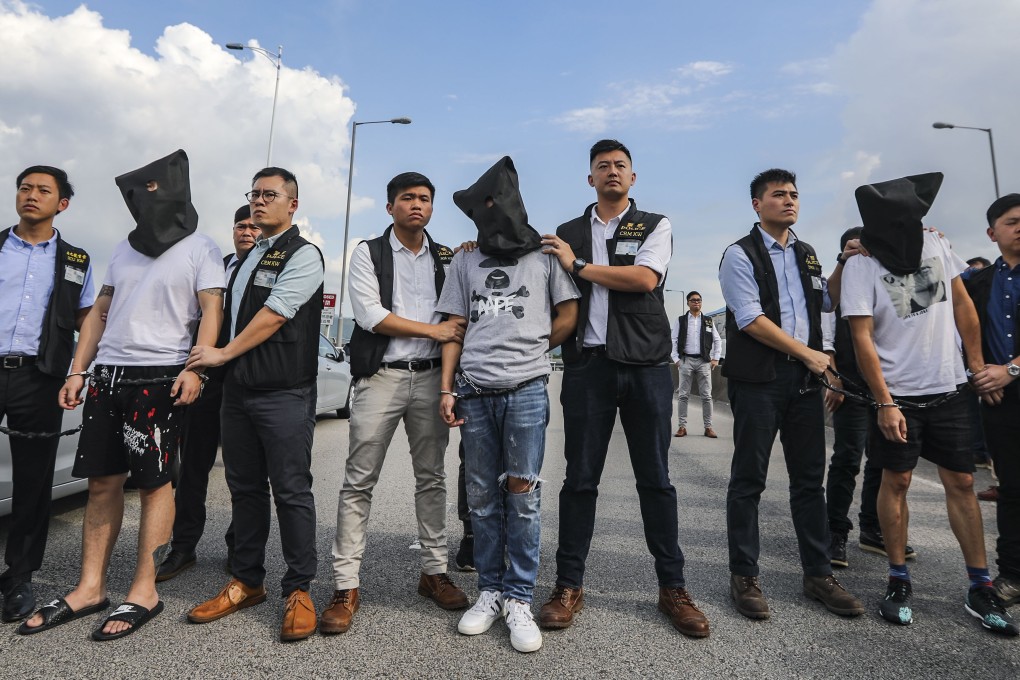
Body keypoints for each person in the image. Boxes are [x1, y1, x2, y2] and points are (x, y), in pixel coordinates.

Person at [19, 150, 224, 639]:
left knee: (154, 485)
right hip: (109, 374)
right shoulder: (122, 248)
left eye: (150, 190)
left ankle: (144, 590)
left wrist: (198, 368)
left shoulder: (202, 247)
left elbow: (210, 313)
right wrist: (78, 370)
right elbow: (100, 314)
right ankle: (90, 587)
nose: (141, 200)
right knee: (101, 483)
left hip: (162, 374)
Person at [538, 139, 709, 638]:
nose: (612, 172)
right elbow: (532, 273)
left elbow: (643, 279)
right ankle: (569, 585)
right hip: (588, 368)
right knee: (579, 480)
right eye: (602, 166)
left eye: (620, 166)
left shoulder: (655, 224)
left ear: (633, 177)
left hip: (647, 367)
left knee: (655, 479)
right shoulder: (568, 232)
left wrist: (579, 266)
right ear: (589, 178)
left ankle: (672, 587)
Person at [841, 172, 1016, 635]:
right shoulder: (862, 264)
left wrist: (976, 366)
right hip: (897, 395)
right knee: (895, 480)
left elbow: (963, 307)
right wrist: (884, 402)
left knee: (961, 481)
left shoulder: (937, 246)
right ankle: (898, 578)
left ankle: (980, 584)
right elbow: (862, 337)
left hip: (951, 389)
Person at [438, 157, 579, 653]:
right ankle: (490, 590)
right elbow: (454, 328)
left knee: (522, 494)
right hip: (474, 390)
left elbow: (568, 312)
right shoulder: (464, 259)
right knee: (480, 494)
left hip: (525, 390)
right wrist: (447, 387)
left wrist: (537, 348)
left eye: (494, 203)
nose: (488, 212)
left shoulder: (543, 256)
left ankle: (519, 597)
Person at [318, 171, 467, 636]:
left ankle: (434, 572)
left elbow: (461, 306)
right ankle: (346, 585)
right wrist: (435, 331)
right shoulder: (369, 252)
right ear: (390, 207)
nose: (416, 205)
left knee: (432, 478)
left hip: (430, 380)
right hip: (381, 377)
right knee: (359, 480)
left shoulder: (445, 256)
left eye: (424, 198)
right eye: (407, 198)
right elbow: (370, 316)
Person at [718, 168, 864, 621]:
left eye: (794, 194)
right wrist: (812, 356)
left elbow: (827, 304)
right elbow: (749, 319)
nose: (789, 200)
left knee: (808, 481)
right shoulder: (738, 255)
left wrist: (845, 261)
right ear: (757, 205)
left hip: (804, 382)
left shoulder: (808, 253)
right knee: (749, 480)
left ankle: (818, 574)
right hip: (760, 381)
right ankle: (744, 575)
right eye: (778, 194)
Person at [186, 167, 324, 642]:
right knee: (244, 490)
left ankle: (300, 588)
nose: (258, 203)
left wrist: (222, 354)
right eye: (254, 194)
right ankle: (247, 581)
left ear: (292, 205)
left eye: (270, 195)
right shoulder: (245, 259)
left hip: (284, 393)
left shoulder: (304, 255)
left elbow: (274, 314)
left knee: (290, 490)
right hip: (238, 394)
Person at [0, 166, 94, 623]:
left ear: (62, 204)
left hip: (40, 377)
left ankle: (19, 577)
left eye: (43, 190)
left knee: (33, 482)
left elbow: (87, 319)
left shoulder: (76, 259)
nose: (31, 195)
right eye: (25, 187)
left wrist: (79, 370)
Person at [156, 205, 257, 581]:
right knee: (193, 467)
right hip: (205, 378)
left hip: (245, 379)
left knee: (241, 470)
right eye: (240, 226)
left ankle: (238, 547)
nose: (247, 231)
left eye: (253, 226)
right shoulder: (219, 266)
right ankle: (183, 546)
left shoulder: (272, 267)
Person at [823, 227, 918, 569]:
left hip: (888, 387)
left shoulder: (888, 279)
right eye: (857, 248)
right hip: (850, 385)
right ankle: (834, 532)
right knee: (847, 458)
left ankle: (872, 528)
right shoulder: (836, 283)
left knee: (882, 460)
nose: (865, 253)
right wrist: (831, 377)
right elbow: (825, 336)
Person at [967, 193, 1020, 611]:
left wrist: (1011, 369)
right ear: (992, 233)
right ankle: (1014, 575)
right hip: (1000, 399)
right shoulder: (979, 282)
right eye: (1013, 221)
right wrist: (981, 374)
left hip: (1010, 380)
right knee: (1012, 488)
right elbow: (961, 330)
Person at [670, 291, 721, 438]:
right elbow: (673, 339)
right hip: (686, 360)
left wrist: (715, 359)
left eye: (699, 300)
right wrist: (676, 359)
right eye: (693, 300)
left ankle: (708, 427)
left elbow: (717, 340)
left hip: (704, 361)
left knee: (707, 396)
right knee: (683, 395)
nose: (696, 302)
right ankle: (682, 427)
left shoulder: (708, 321)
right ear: (688, 303)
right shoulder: (680, 320)